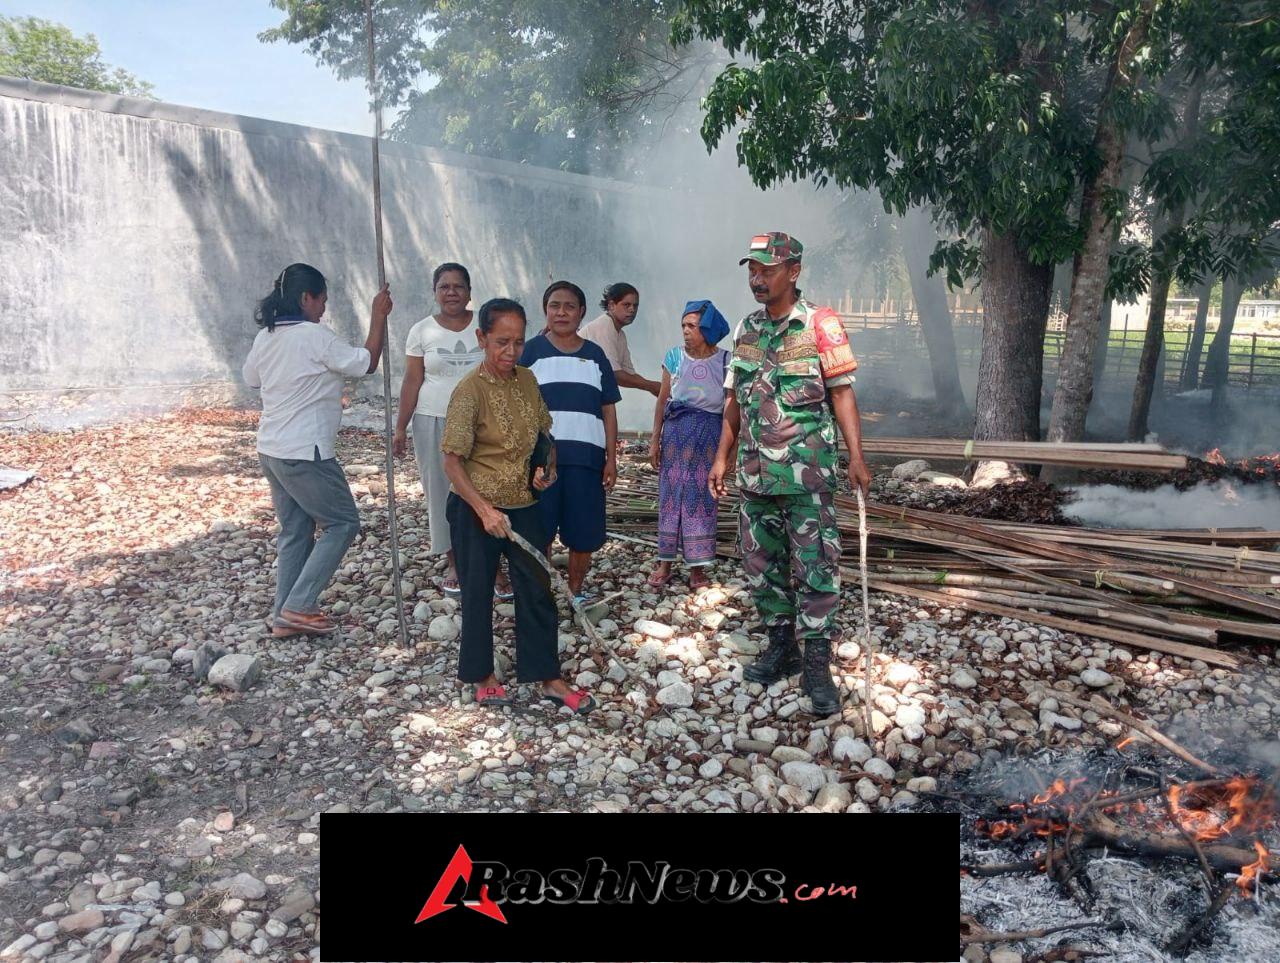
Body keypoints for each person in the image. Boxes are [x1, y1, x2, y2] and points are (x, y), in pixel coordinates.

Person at [708, 232, 872, 717]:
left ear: (793, 271)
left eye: (767, 270)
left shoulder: (821, 325)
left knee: (816, 565)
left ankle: (817, 664)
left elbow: (842, 394)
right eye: (752, 271)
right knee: (761, 563)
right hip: (756, 476)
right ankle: (782, 647)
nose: (757, 279)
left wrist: (857, 458)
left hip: (808, 476)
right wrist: (723, 456)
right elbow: (733, 400)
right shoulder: (747, 328)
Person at [441, 297, 595, 714]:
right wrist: (484, 510)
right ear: (481, 338)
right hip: (476, 509)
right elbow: (452, 461)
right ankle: (482, 674)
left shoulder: (527, 380)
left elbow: (544, 434)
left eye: (518, 343)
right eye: (501, 343)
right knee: (478, 592)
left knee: (537, 590)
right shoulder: (469, 391)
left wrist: (546, 467)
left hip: (525, 504)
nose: (510, 352)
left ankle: (548, 677)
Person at [242, 263, 392, 638]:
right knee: (343, 522)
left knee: (296, 528)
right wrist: (378, 317)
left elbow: (251, 379)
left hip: (272, 448)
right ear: (306, 298)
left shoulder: (267, 336)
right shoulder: (314, 336)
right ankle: (299, 605)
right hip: (304, 451)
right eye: (322, 300)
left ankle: (284, 614)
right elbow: (366, 363)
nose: (324, 308)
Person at [519, 281, 620, 605]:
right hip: (540, 459)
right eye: (554, 305)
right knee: (541, 527)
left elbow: (607, 408)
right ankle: (544, 592)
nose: (561, 312)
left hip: (586, 459)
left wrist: (611, 458)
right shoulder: (530, 352)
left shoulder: (595, 355)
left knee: (584, 531)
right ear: (545, 311)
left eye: (569, 306)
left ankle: (575, 591)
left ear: (582, 312)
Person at [392, 262, 488, 597]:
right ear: (435, 292)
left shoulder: (484, 325)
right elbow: (413, 380)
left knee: (487, 487)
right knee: (441, 491)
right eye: (444, 286)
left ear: (469, 292)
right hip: (432, 418)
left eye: (458, 286)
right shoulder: (421, 331)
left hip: (482, 421)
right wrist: (400, 427)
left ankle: (488, 558)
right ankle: (454, 561)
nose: (451, 292)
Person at [647, 300, 731, 591]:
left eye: (692, 326)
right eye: (683, 325)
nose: (685, 331)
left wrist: (727, 453)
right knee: (671, 496)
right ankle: (665, 563)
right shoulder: (674, 358)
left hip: (708, 435)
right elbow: (662, 400)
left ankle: (697, 568)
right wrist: (654, 439)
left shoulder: (726, 361)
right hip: (676, 435)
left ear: (707, 329)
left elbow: (733, 408)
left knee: (702, 498)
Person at [579, 282, 661, 396]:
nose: (632, 310)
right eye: (626, 305)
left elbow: (628, 373)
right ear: (611, 305)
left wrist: (655, 387)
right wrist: (651, 386)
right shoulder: (604, 326)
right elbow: (614, 374)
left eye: (635, 305)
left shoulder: (620, 334)